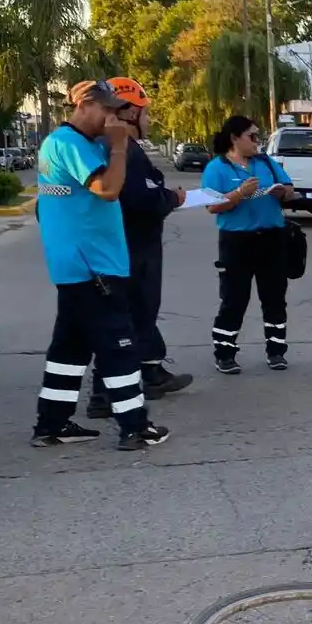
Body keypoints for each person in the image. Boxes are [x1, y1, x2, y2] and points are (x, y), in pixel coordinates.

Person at [31, 80, 170, 450]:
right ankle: (134, 427)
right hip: (93, 266)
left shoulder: (66, 144)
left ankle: (52, 424)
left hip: (76, 262)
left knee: (70, 348)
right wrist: (121, 147)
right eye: (109, 111)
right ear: (85, 105)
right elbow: (107, 189)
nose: (114, 119)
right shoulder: (70, 144)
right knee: (119, 345)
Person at [86, 76, 192, 418]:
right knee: (125, 321)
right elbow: (141, 198)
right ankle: (106, 396)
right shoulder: (121, 151)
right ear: (129, 112)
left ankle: (149, 373)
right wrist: (171, 197)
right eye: (144, 113)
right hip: (131, 248)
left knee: (138, 317)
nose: (147, 120)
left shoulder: (120, 150)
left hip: (135, 246)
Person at [202, 115, 297, 374]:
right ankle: (225, 353)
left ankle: (276, 352)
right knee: (234, 299)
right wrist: (239, 194)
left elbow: (289, 189)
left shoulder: (266, 162)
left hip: (272, 238)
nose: (258, 141)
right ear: (235, 138)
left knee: (275, 298)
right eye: (252, 136)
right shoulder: (217, 168)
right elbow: (212, 206)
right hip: (237, 242)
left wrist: (283, 192)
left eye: (258, 136)